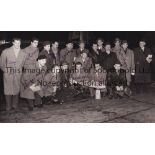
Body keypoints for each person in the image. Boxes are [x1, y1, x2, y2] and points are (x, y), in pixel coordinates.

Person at [0, 38, 26, 111]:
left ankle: (15, 105)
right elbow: (1, 64)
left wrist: (19, 71)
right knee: (8, 90)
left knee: (16, 89)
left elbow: (23, 64)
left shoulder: (23, 53)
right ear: (13, 43)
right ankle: (8, 106)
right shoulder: (6, 51)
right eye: (16, 43)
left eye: (19, 43)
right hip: (8, 74)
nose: (17, 44)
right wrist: (7, 71)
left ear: (20, 43)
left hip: (18, 74)